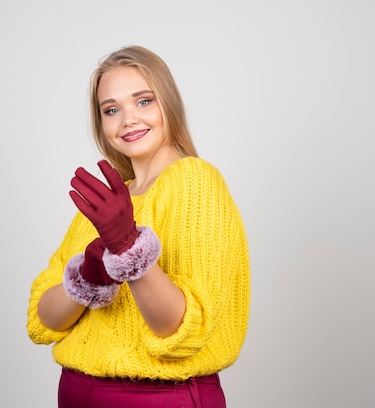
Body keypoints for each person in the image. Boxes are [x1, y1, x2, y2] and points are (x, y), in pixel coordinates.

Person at [26, 45, 250, 408]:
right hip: (76, 393)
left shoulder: (195, 180)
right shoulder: (111, 200)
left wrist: (127, 247)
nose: (127, 119)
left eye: (143, 101)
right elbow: (43, 319)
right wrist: (86, 280)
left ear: (168, 105)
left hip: (156, 398)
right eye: (111, 109)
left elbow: (177, 329)